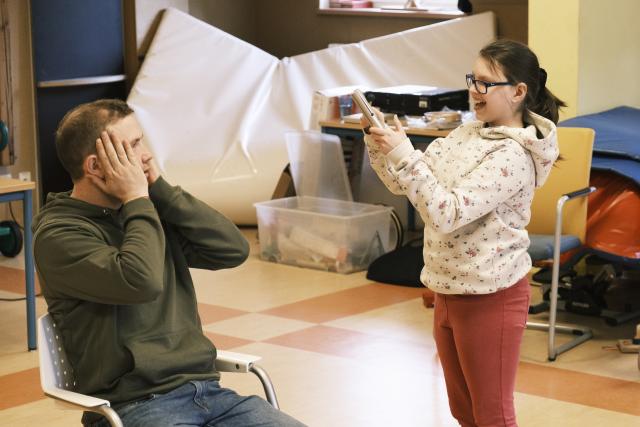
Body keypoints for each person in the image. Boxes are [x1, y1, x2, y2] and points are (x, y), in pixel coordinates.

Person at [33, 99, 306, 427]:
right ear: (94, 166)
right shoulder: (59, 234)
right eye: (133, 146)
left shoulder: (147, 210)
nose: (146, 154)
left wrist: (159, 189)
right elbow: (140, 280)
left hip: (210, 393)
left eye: (142, 140)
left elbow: (232, 249)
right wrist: (137, 199)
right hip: (132, 406)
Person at [360, 39, 564, 426]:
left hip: (492, 296)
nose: (474, 90)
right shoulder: (465, 135)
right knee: (463, 411)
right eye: (473, 79)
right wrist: (383, 148)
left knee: (492, 414)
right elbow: (410, 186)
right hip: (449, 288)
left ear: (519, 92)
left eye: (486, 83)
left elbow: (446, 213)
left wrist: (404, 155)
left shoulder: (512, 156)